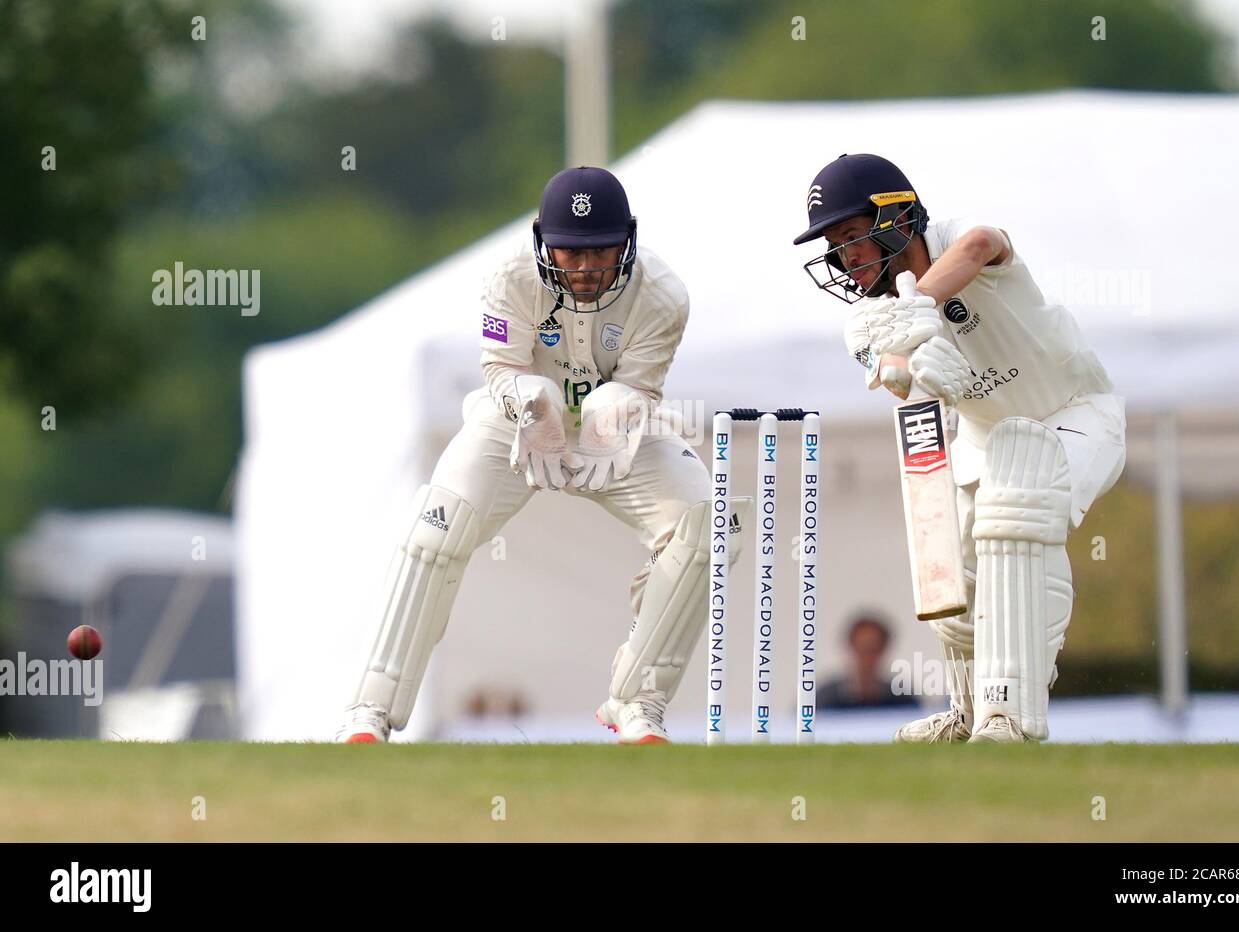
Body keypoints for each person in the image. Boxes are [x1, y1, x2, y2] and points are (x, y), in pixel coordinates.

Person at [336, 166, 748, 745]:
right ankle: (369, 711)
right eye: (569, 252)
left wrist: (617, 407)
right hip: (517, 423)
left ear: (627, 240)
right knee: (436, 529)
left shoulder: (663, 294)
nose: (583, 270)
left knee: (710, 528)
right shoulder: (508, 278)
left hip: (619, 431)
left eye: (599, 252)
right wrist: (527, 400)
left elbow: (643, 384)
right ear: (541, 240)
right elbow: (500, 365)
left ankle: (637, 703)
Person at [793, 153, 1126, 743]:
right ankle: (968, 712)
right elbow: (896, 372)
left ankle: (1013, 715)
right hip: (983, 436)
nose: (847, 257)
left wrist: (913, 310)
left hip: (1073, 414)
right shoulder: (872, 314)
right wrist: (904, 357)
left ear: (894, 220)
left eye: (852, 237)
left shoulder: (956, 239)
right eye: (836, 245)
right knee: (955, 569)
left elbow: (980, 245)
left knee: (1018, 511)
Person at [817, 613, 920, 709]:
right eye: (861, 649)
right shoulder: (824, 700)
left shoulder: (904, 701)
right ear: (849, 648)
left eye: (872, 650)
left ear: (883, 650)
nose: (866, 658)